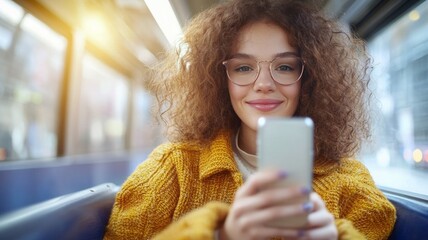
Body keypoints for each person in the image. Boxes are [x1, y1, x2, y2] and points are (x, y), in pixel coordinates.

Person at [104, 0, 396, 239]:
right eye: (244, 67)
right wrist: (221, 236)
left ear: (309, 79)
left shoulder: (351, 183)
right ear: (221, 80)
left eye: (284, 66)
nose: (264, 83)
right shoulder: (171, 170)